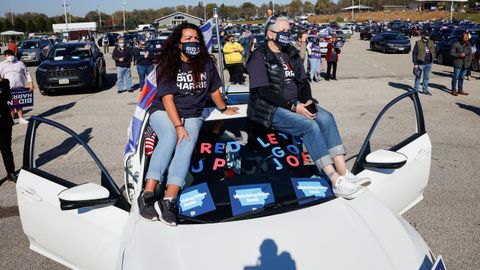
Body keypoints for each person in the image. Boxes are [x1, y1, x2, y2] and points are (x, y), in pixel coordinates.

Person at [246, 16, 369, 200]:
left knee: (326, 117)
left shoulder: (291, 52)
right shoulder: (259, 55)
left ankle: (344, 173)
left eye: (289, 30)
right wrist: (294, 107)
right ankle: (335, 180)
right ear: (270, 34)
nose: (287, 34)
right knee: (309, 126)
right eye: (283, 31)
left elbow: (303, 82)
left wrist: (308, 101)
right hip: (269, 108)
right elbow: (263, 91)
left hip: (297, 102)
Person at [138, 23, 239, 226]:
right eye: (188, 38)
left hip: (193, 112)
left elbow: (214, 91)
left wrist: (223, 108)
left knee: (187, 144)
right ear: (178, 43)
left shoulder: (207, 63)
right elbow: (167, 99)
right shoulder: (167, 63)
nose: (193, 41)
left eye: (196, 38)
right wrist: (177, 125)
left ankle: (169, 199)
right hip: (164, 110)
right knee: (170, 137)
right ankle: (148, 194)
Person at [0, 50, 34, 124]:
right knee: (10, 105)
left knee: (19, 103)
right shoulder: (1, 65)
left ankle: (21, 118)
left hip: (19, 87)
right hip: (8, 88)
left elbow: (27, 73)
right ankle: (11, 120)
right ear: (5, 56)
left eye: (12, 55)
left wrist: (31, 83)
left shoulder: (20, 63)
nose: (11, 56)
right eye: (8, 55)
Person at [0, 76, 15, 182]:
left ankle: (11, 172)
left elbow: (8, 97)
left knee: (6, 149)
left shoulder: (4, 83)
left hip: (4, 121)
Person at [412, 31, 435, 95]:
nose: (426, 38)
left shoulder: (431, 42)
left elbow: (434, 51)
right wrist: (415, 64)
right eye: (425, 36)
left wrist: (433, 58)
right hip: (420, 63)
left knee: (426, 77)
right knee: (418, 77)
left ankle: (425, 90)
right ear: (422, 36)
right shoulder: (418, 43)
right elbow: (414, 54)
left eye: (428, 36)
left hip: (429, 63)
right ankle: (415, 90)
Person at [450, 31, 472, 96]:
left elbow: (470, 55)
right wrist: (460, 55)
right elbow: (452, 53)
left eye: (467, 37)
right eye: (465, 37)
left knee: (462, 77)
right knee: (455, 77)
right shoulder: (456, 44)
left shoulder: (469, 44)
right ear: (462, 37)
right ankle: (453, 90)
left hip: (465, 64)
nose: (466, 38)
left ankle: (460, 90)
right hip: (458, 64)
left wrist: (469, 63)